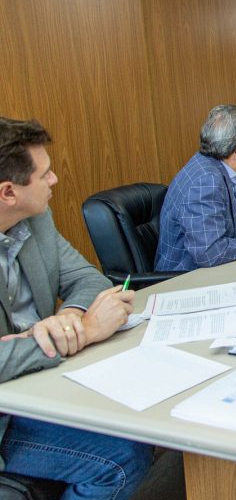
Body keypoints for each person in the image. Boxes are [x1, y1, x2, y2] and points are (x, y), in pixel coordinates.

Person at [0, 117, 151, 499]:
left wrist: (70, 316)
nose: (54, 181)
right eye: (45, 175)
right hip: (7, 415)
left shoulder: (36, 220)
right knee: (122, 458)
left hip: (42, 380)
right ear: (8, 192)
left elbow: (88, 278)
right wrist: (85, 331)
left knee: (142, 413)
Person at [156, 105, 236, 271]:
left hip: (215, 271)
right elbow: (210, 253)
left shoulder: (211, 166)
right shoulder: (206, 181)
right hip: (186, 281)